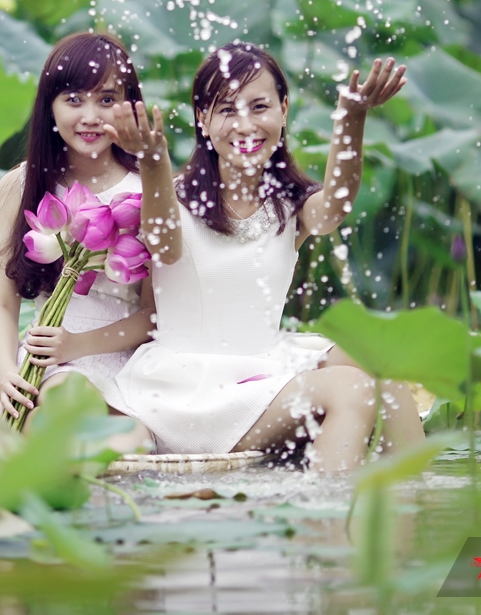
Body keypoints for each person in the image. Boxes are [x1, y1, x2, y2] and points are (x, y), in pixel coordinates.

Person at [102, 43, 424, 471]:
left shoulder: (288, 205)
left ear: (283, 110)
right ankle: (328, 507)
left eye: (259, 107)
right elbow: (162, 243)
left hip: (265, 366)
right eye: (227, 110)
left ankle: (417, 497)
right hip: (192, 390)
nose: (245, 125)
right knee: (351, 388)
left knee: (384, 370)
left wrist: (352, 117)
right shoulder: (172, 198)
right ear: (202, 119)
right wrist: (152, 161)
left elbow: (336, 207)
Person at [0, 32, 158, 449]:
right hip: (44, 362)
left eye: (107, 99)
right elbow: (3, 305)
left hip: (122, 357)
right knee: (64, 397)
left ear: (130, 104)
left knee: (128, 439)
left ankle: (35, 460)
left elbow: (155, 316)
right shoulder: (19, 186)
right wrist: (6, 371)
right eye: (74, 99)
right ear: (50, 105)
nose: (90, 116)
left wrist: (77, 345)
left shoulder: (148, 192)